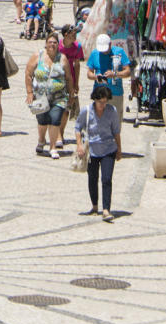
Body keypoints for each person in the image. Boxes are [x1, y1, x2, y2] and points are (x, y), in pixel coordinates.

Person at [76, 84, 122, 221]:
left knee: (106, 179)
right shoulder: (87, 111)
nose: (103, 104)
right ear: (95, 99)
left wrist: (119, 149)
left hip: (108, 149)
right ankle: (95, 206)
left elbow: (116, 131)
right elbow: (78, 127)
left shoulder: (112, 111)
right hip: (92, 150)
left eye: (105, 101)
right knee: (92, 179)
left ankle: (106, 209)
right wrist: (79, 145)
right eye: (100, 101)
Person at [25, 33, 68, 158]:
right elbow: (28, 74)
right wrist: (29, 92)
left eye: (55, 42)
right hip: (40, 96)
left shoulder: (62, 58)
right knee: (42, 121)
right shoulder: (37, 56)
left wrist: (71, 93)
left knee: (55, 120)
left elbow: (69, 77)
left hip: (58, 97)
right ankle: (42, 140)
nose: (52, 45)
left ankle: (53, 147)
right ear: (46, 43)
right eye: (50, 42)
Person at [86, 31, 132, 110]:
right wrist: (96, 77)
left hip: (115, 94)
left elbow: (128, 71)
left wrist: (115, 74)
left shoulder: (119, 52)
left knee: (115, 120)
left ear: (110, 44)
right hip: (99, 93)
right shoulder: (94, 53)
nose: (104, 52)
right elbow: (89, 73)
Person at [58, 22, 84, 126]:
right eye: (73, 34)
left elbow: (77, 65)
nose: (75, 36)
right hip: (58, 79)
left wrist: (76, 83)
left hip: (70, 80)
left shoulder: (77, 47)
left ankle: (61, 133)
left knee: (66, 108)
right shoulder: (57, 46)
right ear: (66, 34)